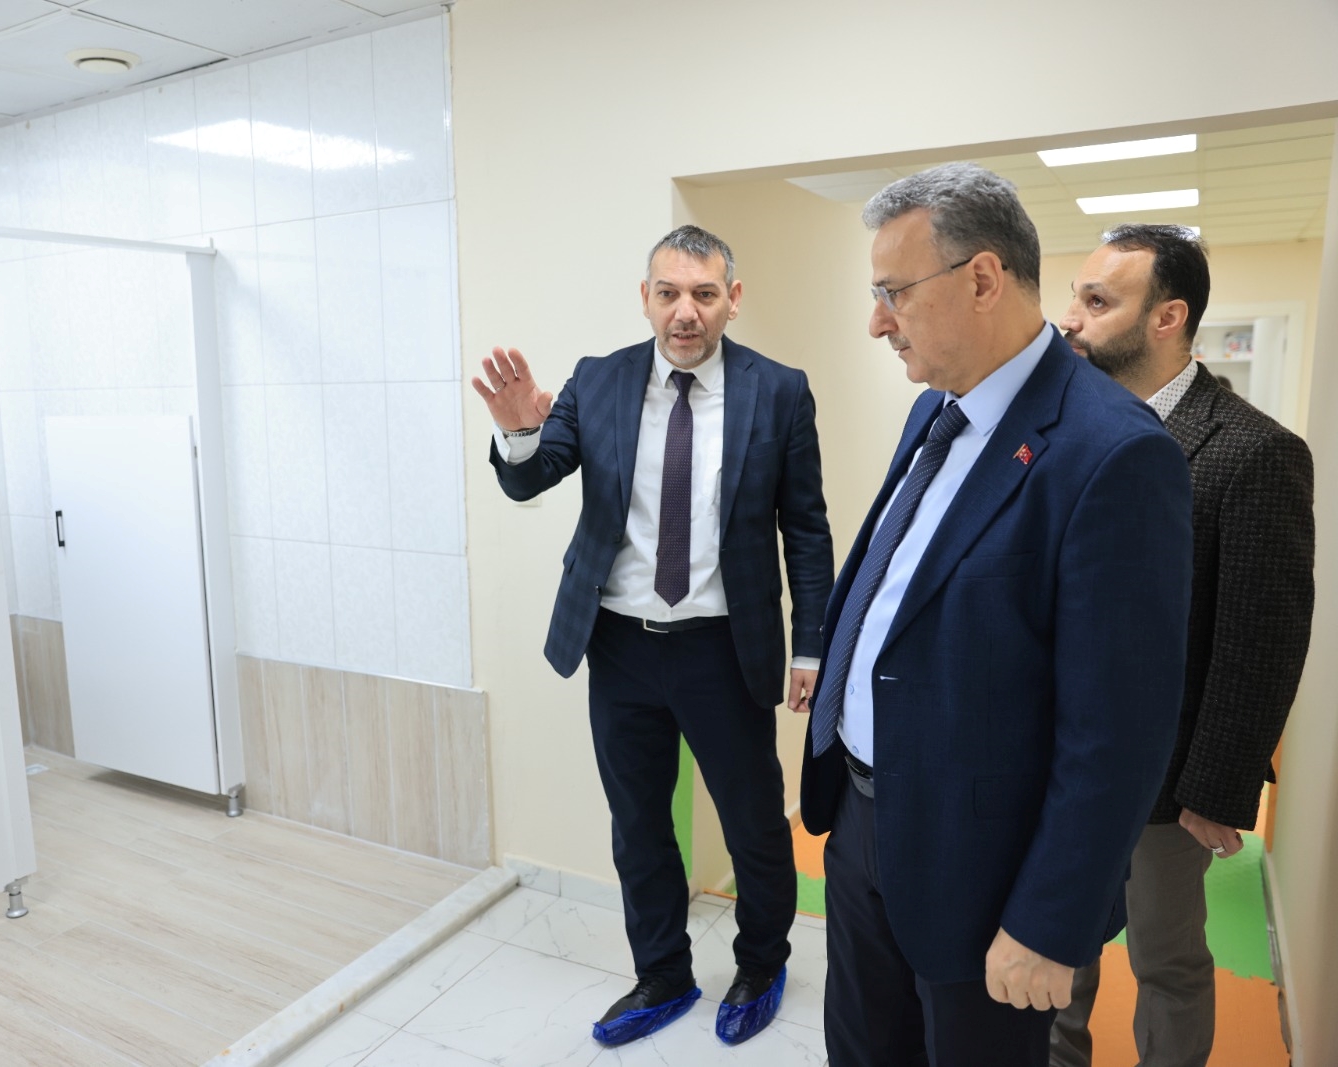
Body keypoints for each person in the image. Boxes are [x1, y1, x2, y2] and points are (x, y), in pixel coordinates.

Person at [798, 163, 1194, 1067]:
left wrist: (1050, 921)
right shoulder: (933, 411)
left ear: (982, 278)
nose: (877, 322)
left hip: (983, 864)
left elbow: (1119, 731)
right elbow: (905, 585)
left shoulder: (1113, 454)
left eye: (893, 292)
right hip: (863, 824)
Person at [473, 225, 834, 1047]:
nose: (685, 312)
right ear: (645, 298)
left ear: (732, 299)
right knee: (638, 822)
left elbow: (807, 531)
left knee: (753, 821)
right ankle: (663, 971)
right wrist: (518, 432)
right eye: (668, 293)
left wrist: (809, 644)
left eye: (703, 294)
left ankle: (761, 962)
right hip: (620, 646)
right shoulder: (598, 380)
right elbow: (532, 478)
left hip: (724, 648)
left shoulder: (779, 392)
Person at [1051, 224, 1315, 1067]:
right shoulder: (1064, 430)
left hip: (1166, 780)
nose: (1070, 319)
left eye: (1097, 301)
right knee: (1055, 937)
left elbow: (1262, 637)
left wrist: (1218, 787)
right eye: (1076, 296)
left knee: (1165, 959)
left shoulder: (1254, 451)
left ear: (1167, 317)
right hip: (1061, 755)